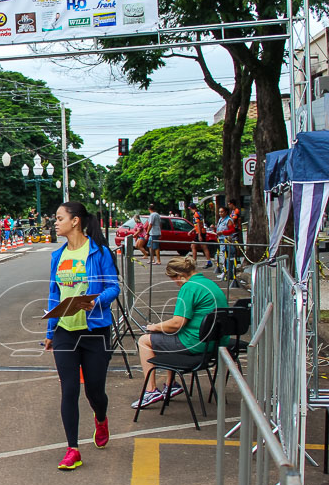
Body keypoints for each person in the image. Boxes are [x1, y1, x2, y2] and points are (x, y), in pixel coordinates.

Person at [44, 201, 120, 471]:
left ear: (75, 221)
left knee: (95, 390)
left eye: (59, 218)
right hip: (65, 330)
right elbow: (54, 294)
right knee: (69, 389)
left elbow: (113, 287)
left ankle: (101, 418)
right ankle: (72, 449)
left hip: (95, 330)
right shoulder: (57, 256)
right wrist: (51, 330)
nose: (55, 222)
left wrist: (97, 300)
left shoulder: (99, 253)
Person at [132, 256, 228, 408]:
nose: (175, 284)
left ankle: (150, 390)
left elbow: (177, 323)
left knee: (144, 340)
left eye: (174, 279)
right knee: (166, 337)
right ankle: (171, 384)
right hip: (215, 342)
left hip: (195, 344)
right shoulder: (209, 283)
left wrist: (155, 327)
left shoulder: (189, 287)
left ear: (180, 276)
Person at [215, 206, 236, 280]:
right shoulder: (220, 219)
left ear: (226, 212)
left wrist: (222, 232)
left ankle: (228, 272)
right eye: (219, 212)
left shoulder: (229, 220)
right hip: (221, 240)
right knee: (223, 257)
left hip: (227, 240)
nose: (220, 213)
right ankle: (224, 271)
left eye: (222, 212)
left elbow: (232, 230)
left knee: (227, 257)